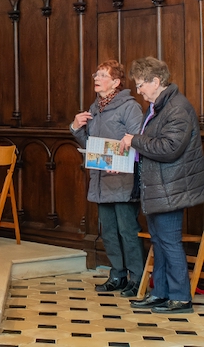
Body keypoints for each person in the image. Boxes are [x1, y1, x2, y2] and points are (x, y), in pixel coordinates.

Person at [119, 56, 204, 314]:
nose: (138, 90)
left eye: (141, 84)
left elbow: (169, 148)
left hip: (171, 187)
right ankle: (161, 293)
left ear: (156, 81)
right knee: (159, 241)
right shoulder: (157, 107)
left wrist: (135, 140)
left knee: (169, 242)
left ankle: (181, 298)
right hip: (158, 186)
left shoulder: (177, 108)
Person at [71, 60, 145, 297]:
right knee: (109, 232)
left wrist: (119, 159)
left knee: (127, 231)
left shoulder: (129, 107)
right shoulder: (94, 109)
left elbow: (138, 140)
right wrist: (76, 127)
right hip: (101, 181)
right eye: (96, 74)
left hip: (123, 180)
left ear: (116, 82)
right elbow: (89, 145)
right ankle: (117, 275)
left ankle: (137, 278)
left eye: (103, 75)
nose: (96, 78)